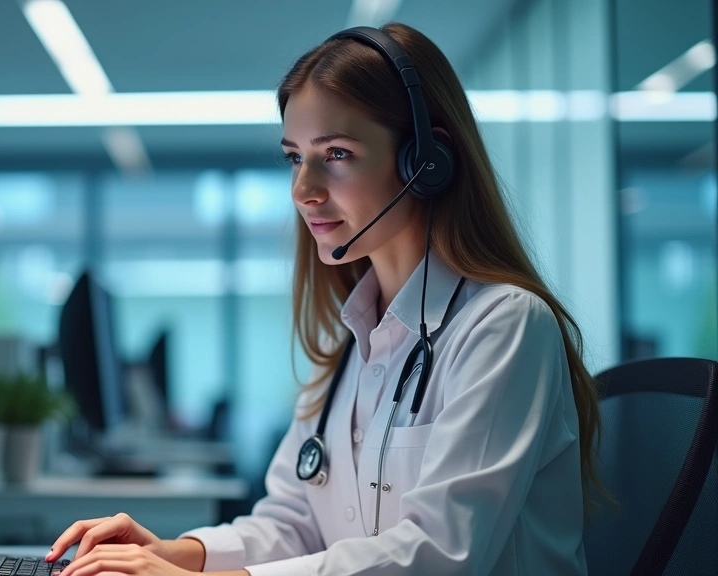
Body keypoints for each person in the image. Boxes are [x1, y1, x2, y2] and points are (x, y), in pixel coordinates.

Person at [47, 22, 602, 576]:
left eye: (336, 153)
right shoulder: (352, 346)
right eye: (295, 157)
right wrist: (178, 554)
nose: (302, 190)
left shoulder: (503, 326)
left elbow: (441, 554)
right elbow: (294, 524)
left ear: (426, 163)